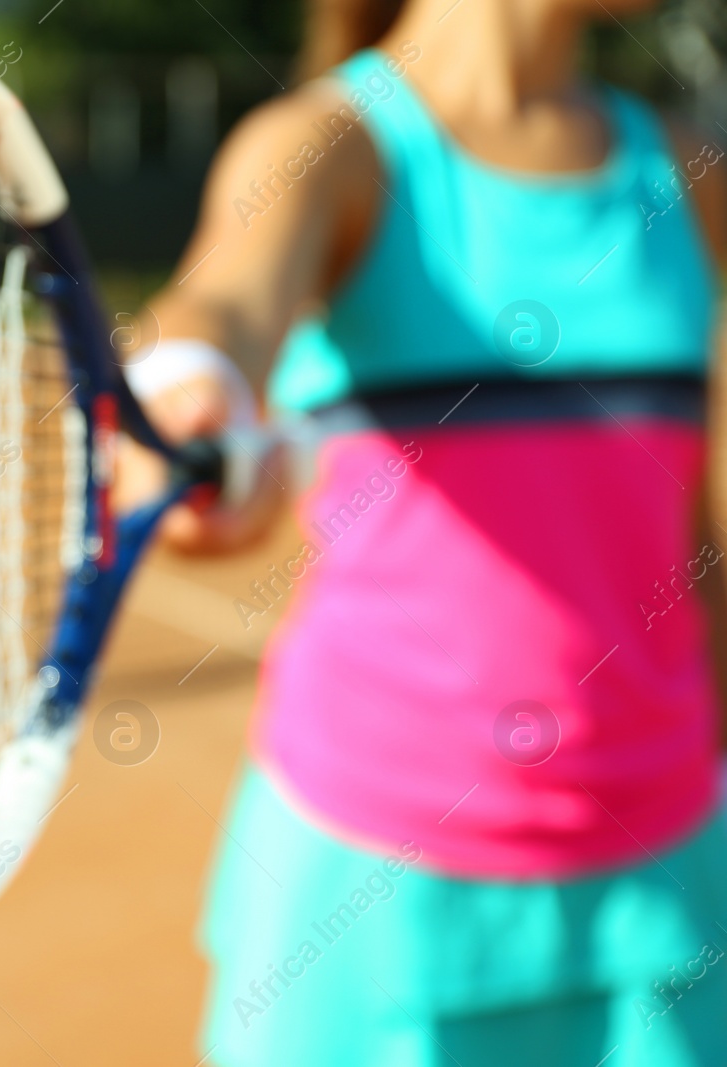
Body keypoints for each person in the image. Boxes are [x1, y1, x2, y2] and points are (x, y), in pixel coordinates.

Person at [117, 0, 727, 1062]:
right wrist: (189, 394)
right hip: (368, 891)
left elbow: (695, 535)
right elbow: (224, 297)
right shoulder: (329, 146)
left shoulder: (685, 173)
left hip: (666, 880)